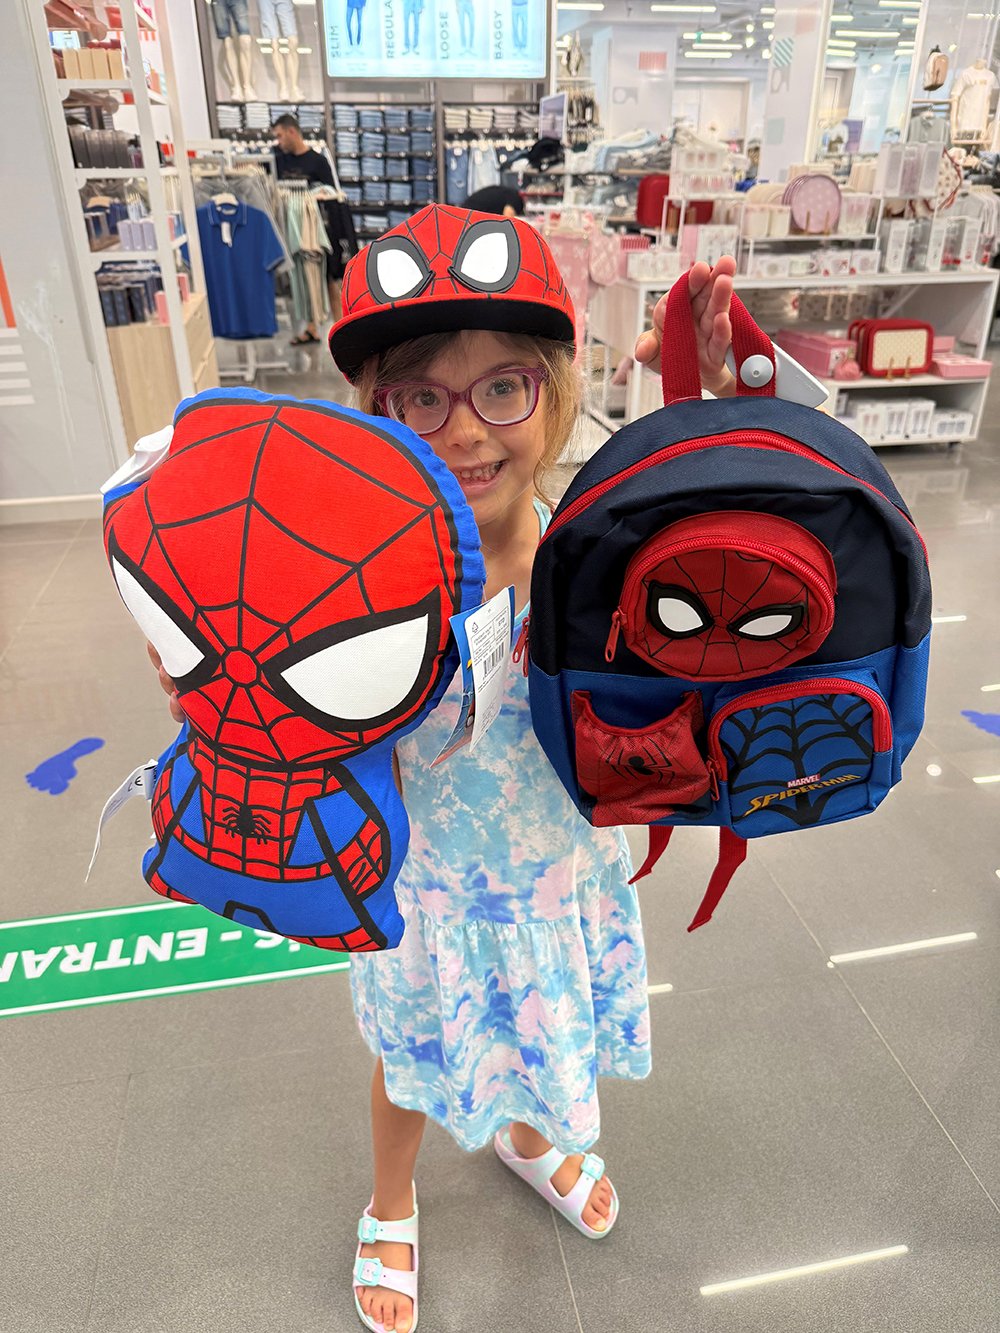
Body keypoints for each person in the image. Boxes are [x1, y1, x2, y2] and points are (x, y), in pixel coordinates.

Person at [148, 208, 737, 1333]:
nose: (464, 432)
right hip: (421, 891)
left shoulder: (591, 551)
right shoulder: (348, 584)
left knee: (544, 1030)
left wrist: (716, 401)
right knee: (409, 1062)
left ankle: (525, 1139)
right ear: (373, 416)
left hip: (561, 875)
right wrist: (189, 671)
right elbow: (253, 701)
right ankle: (390, 1201)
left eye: (501, 387)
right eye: (421, 397)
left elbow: (719, 564)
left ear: (553, 391)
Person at [271, 113, 338, 346]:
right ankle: (312, 328)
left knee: (328, 277)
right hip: (291, 224)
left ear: (292, 131)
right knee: (302, 273)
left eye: (280, 135)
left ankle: (340, 328)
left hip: (317, 224)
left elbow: (332, 192)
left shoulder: (317, 161)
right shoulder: (278, 159)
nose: (278, 141)